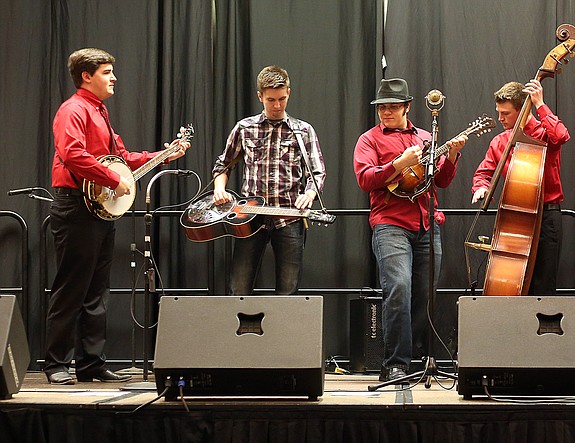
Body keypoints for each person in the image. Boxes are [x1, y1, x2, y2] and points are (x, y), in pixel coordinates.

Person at [45, 48, 190, 385]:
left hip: (97, 210)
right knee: (71, 289)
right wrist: (113, 180)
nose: (114, 78)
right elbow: (72, 154)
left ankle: (91, 364)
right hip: (75, 208)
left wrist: (165, 155)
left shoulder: (100, 111)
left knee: (97, 290)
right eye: (107, 72)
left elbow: (121, 158)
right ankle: (55, 363)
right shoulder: (73, 110)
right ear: (86, 75)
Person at [353, 78, 467, 382]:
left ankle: (417, 358)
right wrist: (398, 164)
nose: (386, 112)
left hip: (428, 224)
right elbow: (366, 179)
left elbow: (440, 180)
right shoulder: (369, 140)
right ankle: (396, 363)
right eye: (382, 107)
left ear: (407, 107)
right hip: (390, 223)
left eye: (392, 106)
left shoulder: (427, 138)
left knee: (425, 294)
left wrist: (452, 156)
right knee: (399, 289)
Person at [212, 65, 326, 295]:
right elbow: (223, 165)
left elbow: (317, 172)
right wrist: (219, 188)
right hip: (250, 217)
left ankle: (282, 333)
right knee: (239, 288)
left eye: (282, 99)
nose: (277, 106)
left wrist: (310, 194)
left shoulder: (303, 130)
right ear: (260, 96)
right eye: (271, 100)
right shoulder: (245, 128)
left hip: (289, 217)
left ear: (289, 93)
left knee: (288, 291)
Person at [471, 80, 571, 295]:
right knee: (510, 280)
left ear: (522, 110)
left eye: (505, 113)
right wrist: (481, 187)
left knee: (544, 283)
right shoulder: (499, 142)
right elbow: (483, 173)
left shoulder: (545, 134)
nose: (500, 118)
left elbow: (561, 135)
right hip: (513, 219)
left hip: (546, 217)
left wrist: (540, 104)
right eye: (499, 112)